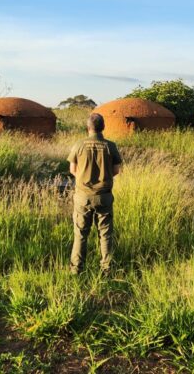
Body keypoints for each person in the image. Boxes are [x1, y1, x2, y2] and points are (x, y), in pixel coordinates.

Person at [67, 113, 123, 275]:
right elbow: (116, 170)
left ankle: (76, 269)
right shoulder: (110, 146)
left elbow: (72, 169)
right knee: (105, 234)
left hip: (83, 197)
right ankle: (107, 269)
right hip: (104, 196)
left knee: (81, 234)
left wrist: (84, 178)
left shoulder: (79, 145)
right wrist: (103, 178)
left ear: (88, 128)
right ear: (103, 127)